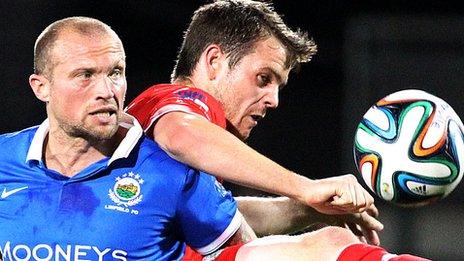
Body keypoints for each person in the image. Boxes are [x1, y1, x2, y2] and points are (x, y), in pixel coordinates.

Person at [126, 0, 430, 260]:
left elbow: (222, 216)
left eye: (278, 86)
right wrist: (304, 188)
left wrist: (308, 209)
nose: (274, 100)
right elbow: (180, 133)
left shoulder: (175, 167)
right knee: (331, 245)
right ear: (214, 61)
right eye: (263, 78)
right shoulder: (177, 101)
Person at [0, 16, 245, 260]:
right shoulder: (4, 158)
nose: (107, 92)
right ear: (41, 87)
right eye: (85, 75)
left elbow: (240, 252)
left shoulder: (174, 173)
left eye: (115, 73)